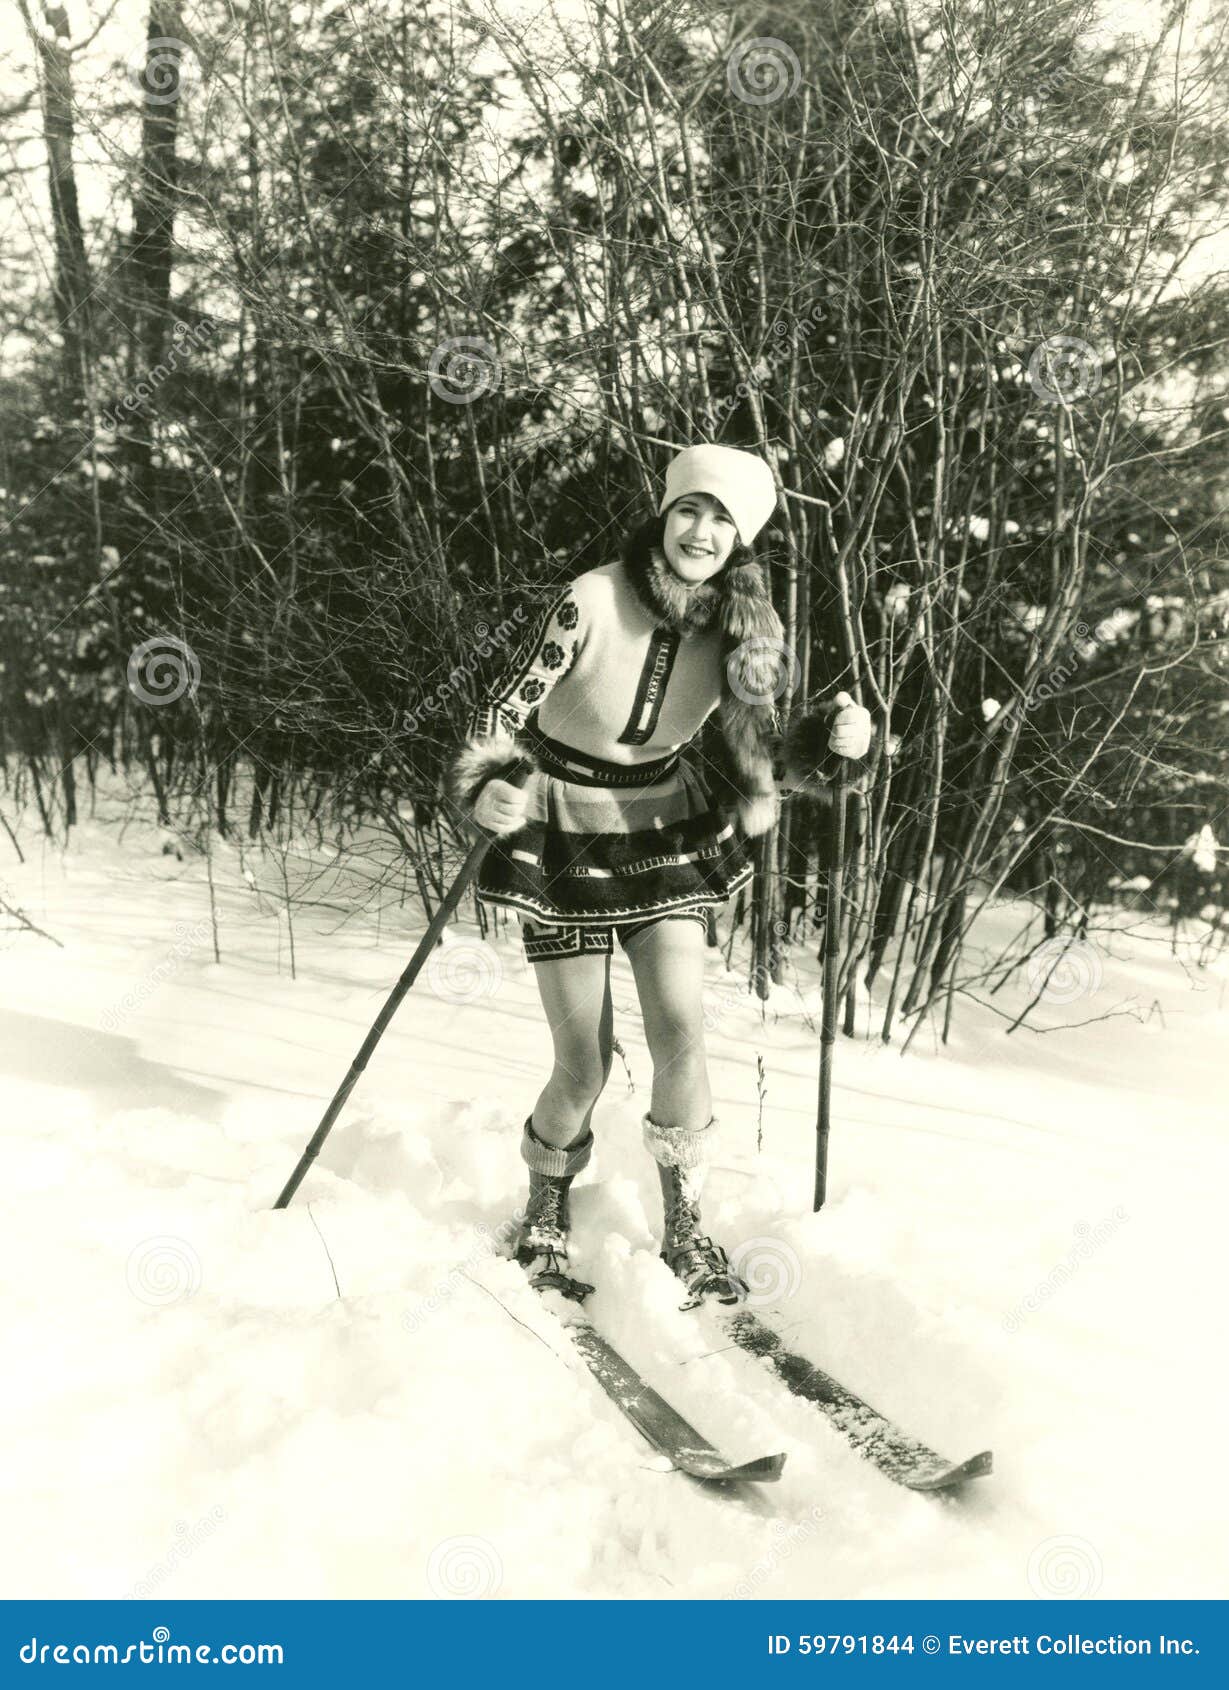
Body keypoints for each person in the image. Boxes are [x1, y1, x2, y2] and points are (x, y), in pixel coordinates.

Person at [447, 444, 871, 1307]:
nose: (701, 531)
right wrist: (490, 783)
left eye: (723, 520)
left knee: (680, 1031)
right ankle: (543, 1209)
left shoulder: (744, 632)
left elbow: (765, 757)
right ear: (665, 513)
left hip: (662, 828)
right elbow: (501, 707)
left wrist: (835, 744)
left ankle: (684, 1223)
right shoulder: (591, 598)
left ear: (741, 540)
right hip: (561, 831)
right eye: (691, 510)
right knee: (584, 1064)